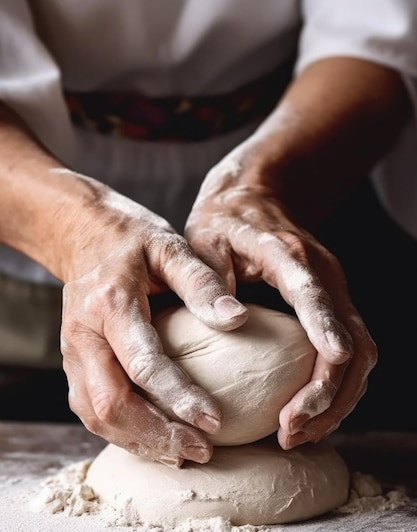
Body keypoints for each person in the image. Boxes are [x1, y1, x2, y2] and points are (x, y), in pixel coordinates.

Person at [0, 1, 415, 467]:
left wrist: (261, 185)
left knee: (326, 367)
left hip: (292, 160)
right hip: (27, 184)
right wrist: (74, 228)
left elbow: (377, 39)